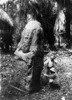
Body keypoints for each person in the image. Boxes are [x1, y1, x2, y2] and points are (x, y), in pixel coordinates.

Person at [14, 13, 44, 93]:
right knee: (36, 63)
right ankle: (32, 86)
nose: (27, 18)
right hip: (34, 51)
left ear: (30, 17)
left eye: (28, 17)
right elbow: (37, 44)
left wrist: (20, 51)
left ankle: (29, 85)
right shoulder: (38, 26)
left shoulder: (27, 26)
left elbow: (21, 43)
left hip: (26, 50)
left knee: (32, 62)